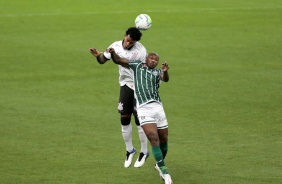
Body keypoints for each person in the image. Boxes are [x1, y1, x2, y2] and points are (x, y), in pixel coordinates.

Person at [108, 48, 173, 184]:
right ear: (146, 59)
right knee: (154, 139)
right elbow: (118, 60)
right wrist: (113, 53)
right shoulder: (137, 66)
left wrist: (165, 72)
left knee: (164, 140)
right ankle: (165, 172)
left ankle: (158, 165)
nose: (154, 61)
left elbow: (165, 79)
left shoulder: (157, 72)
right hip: (143, 109)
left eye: (156, 60)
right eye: (151, 58)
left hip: (158, 107)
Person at [89, 27, 149, 168]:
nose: (128, 44)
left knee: (139, 120)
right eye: (128, 40)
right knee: (124, 118)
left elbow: (120, 61)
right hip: (126, 85)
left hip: (140, 86)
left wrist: (113, 55)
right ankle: (130, 150)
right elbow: (103, 60)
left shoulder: (140, 51)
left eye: (131, 42)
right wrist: (98, 55)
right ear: (125, 35)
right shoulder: (115, 45)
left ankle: (144, 151)